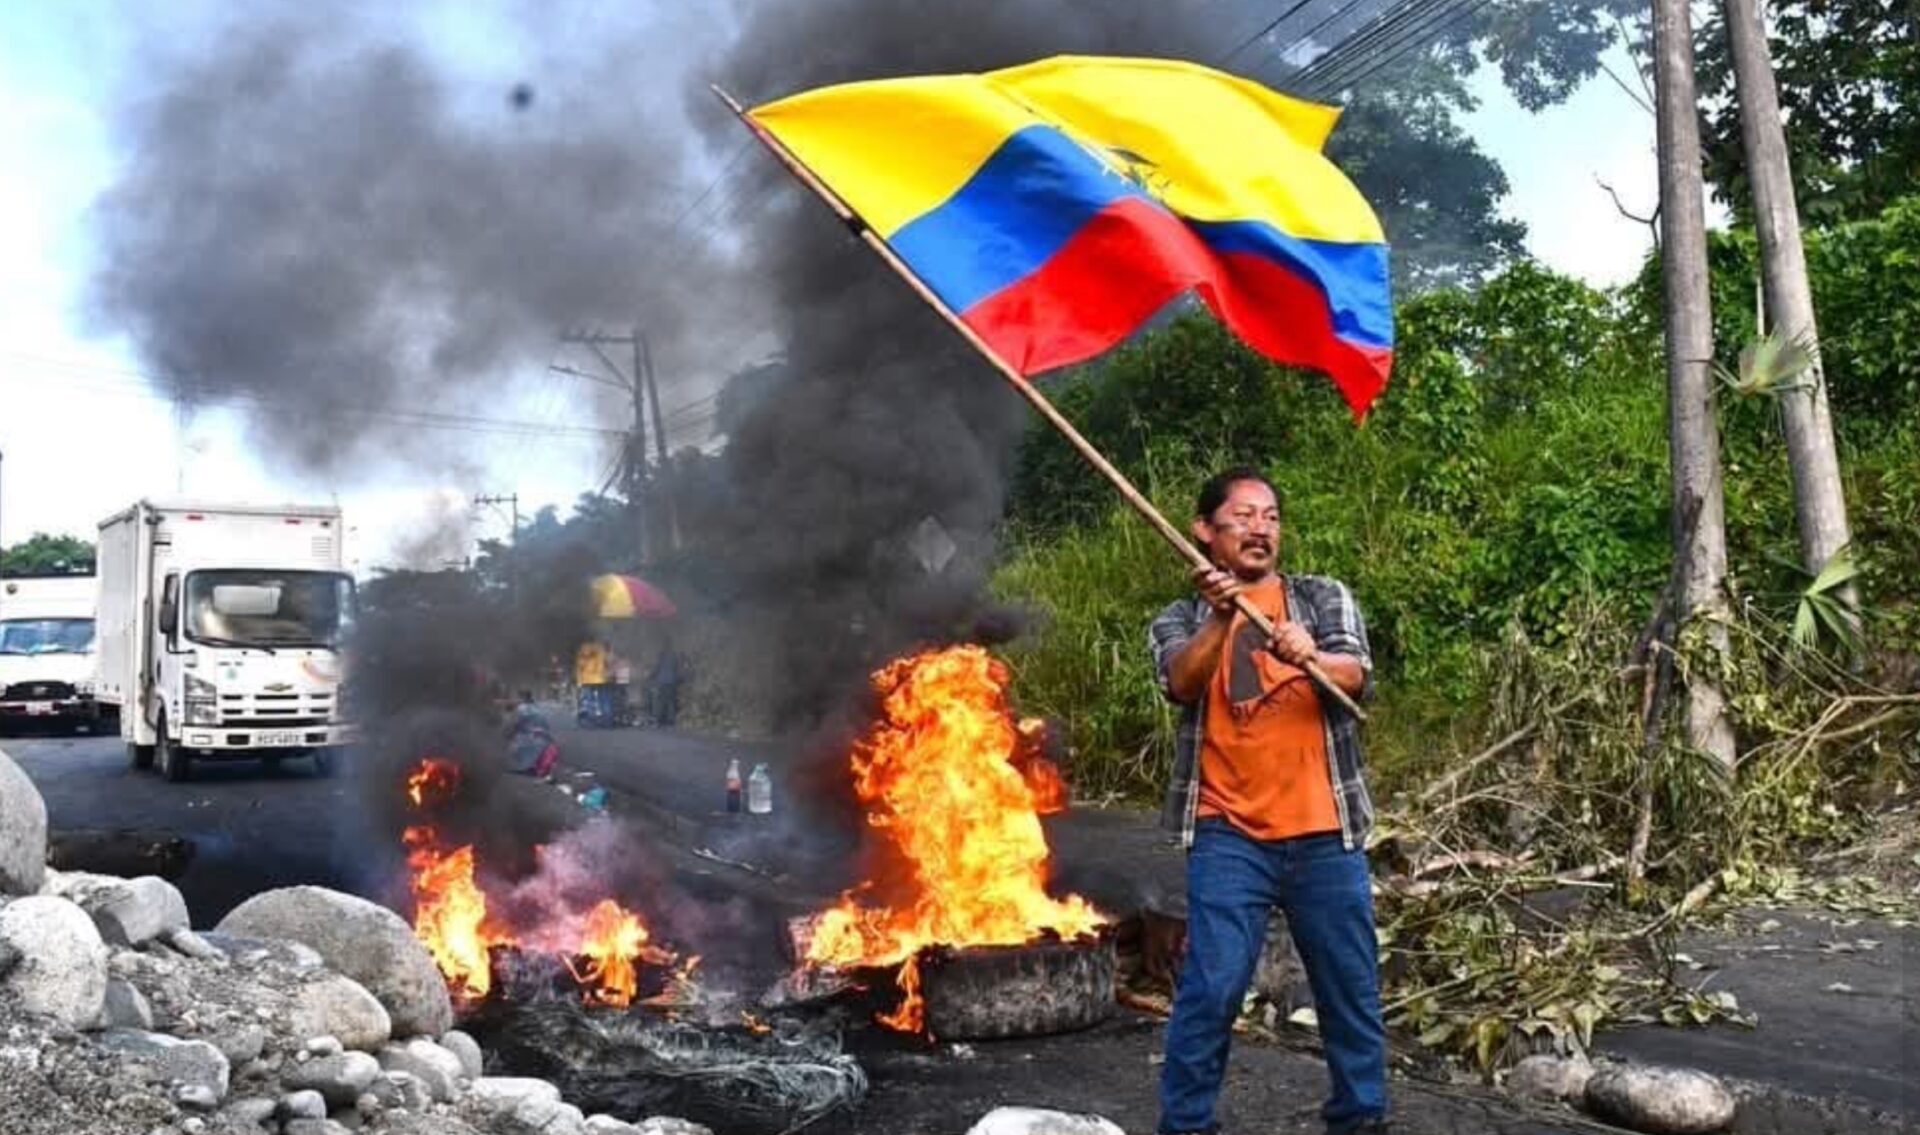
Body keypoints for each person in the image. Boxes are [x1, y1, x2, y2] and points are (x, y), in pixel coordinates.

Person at [1149, 467, 1387, 1135]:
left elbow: (1356, 676)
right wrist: (1223, 618)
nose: (1261, 528)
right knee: (1214, 985)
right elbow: (1180, 682)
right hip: (1229, 834)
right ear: (1204, 530)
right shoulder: (1179, 619)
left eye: (1271, 516)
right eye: (1244, 515)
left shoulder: (1320, 597)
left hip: (1326, 831)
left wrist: (1313, 655)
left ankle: (1361, 1116)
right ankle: (1186, 1125)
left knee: (1349, 986)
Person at [505, 690, 558, 777]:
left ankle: (524, 766)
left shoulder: (521, 709)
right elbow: (547, 725)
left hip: (527, 740)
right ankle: (535, 765)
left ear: (522, 698)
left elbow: (514, 725)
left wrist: (508, 735)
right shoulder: (539, 708)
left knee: (514, 747)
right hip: (543, 740)